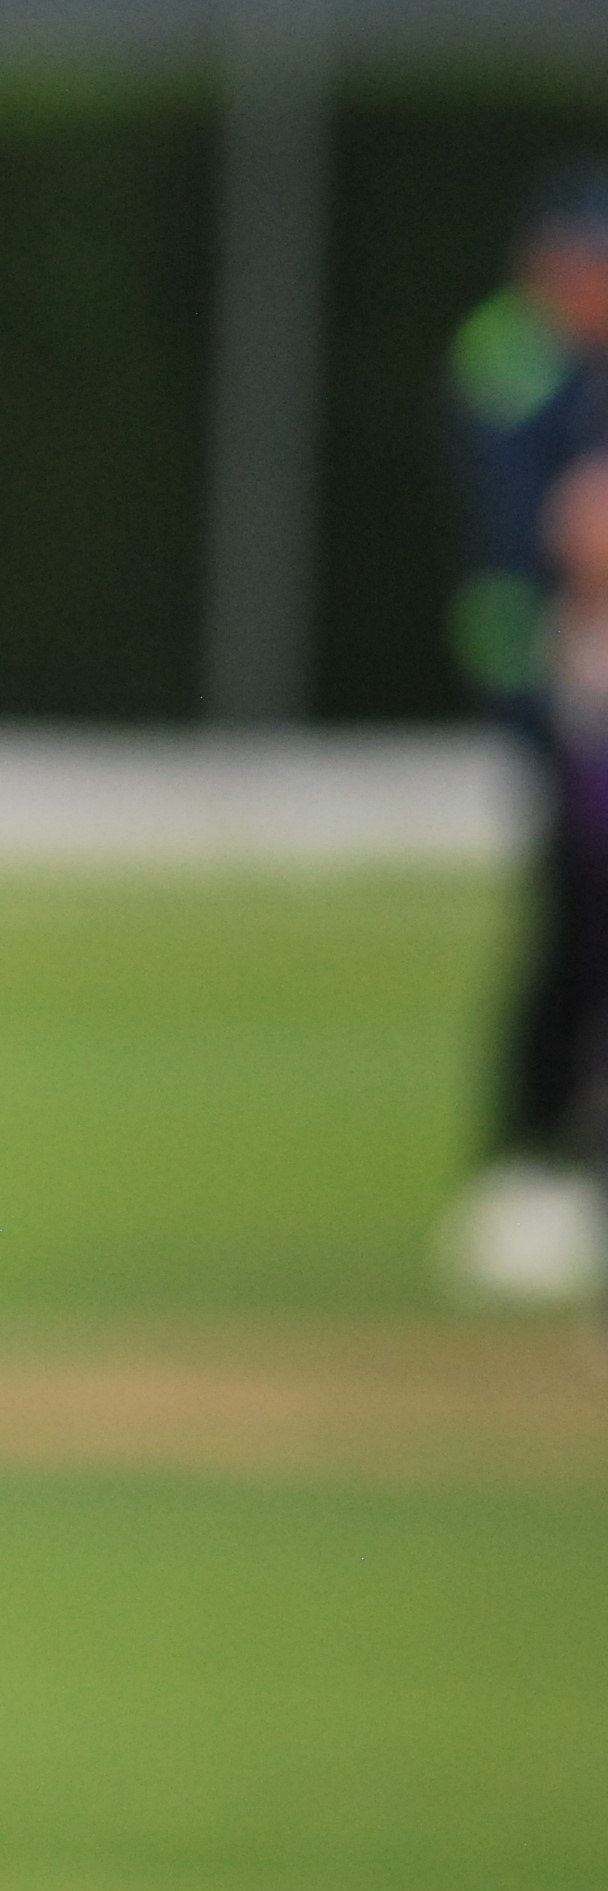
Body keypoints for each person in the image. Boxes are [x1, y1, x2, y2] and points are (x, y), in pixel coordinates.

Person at [437, 161, 608, 1306]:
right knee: (574, 915)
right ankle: (522, 1162)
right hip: (549, 678)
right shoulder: (510, 356)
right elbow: (549, 530)